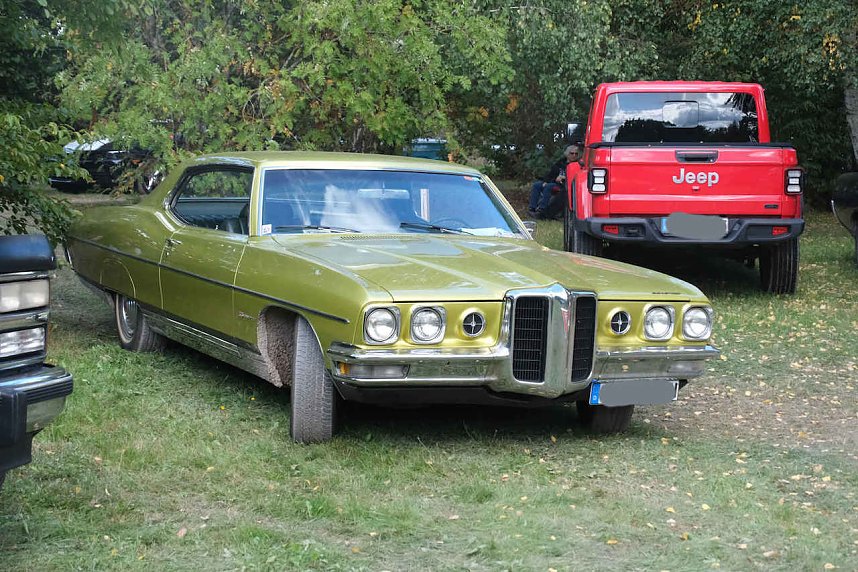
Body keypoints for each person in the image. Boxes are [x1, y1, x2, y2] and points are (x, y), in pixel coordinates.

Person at [527, 145, 581, 219]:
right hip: (555, 181)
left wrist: (564, 178)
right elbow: (551, 173)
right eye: (572, 153)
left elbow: (577, 177)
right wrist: (546, 181)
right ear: (567, 154)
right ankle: (532, 208)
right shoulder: (560, 163)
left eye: (576, 154)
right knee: (537, 185)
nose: (574, 155)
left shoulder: (578, 165)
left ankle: (542, 210)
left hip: (565, 185)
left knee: (548, 187)